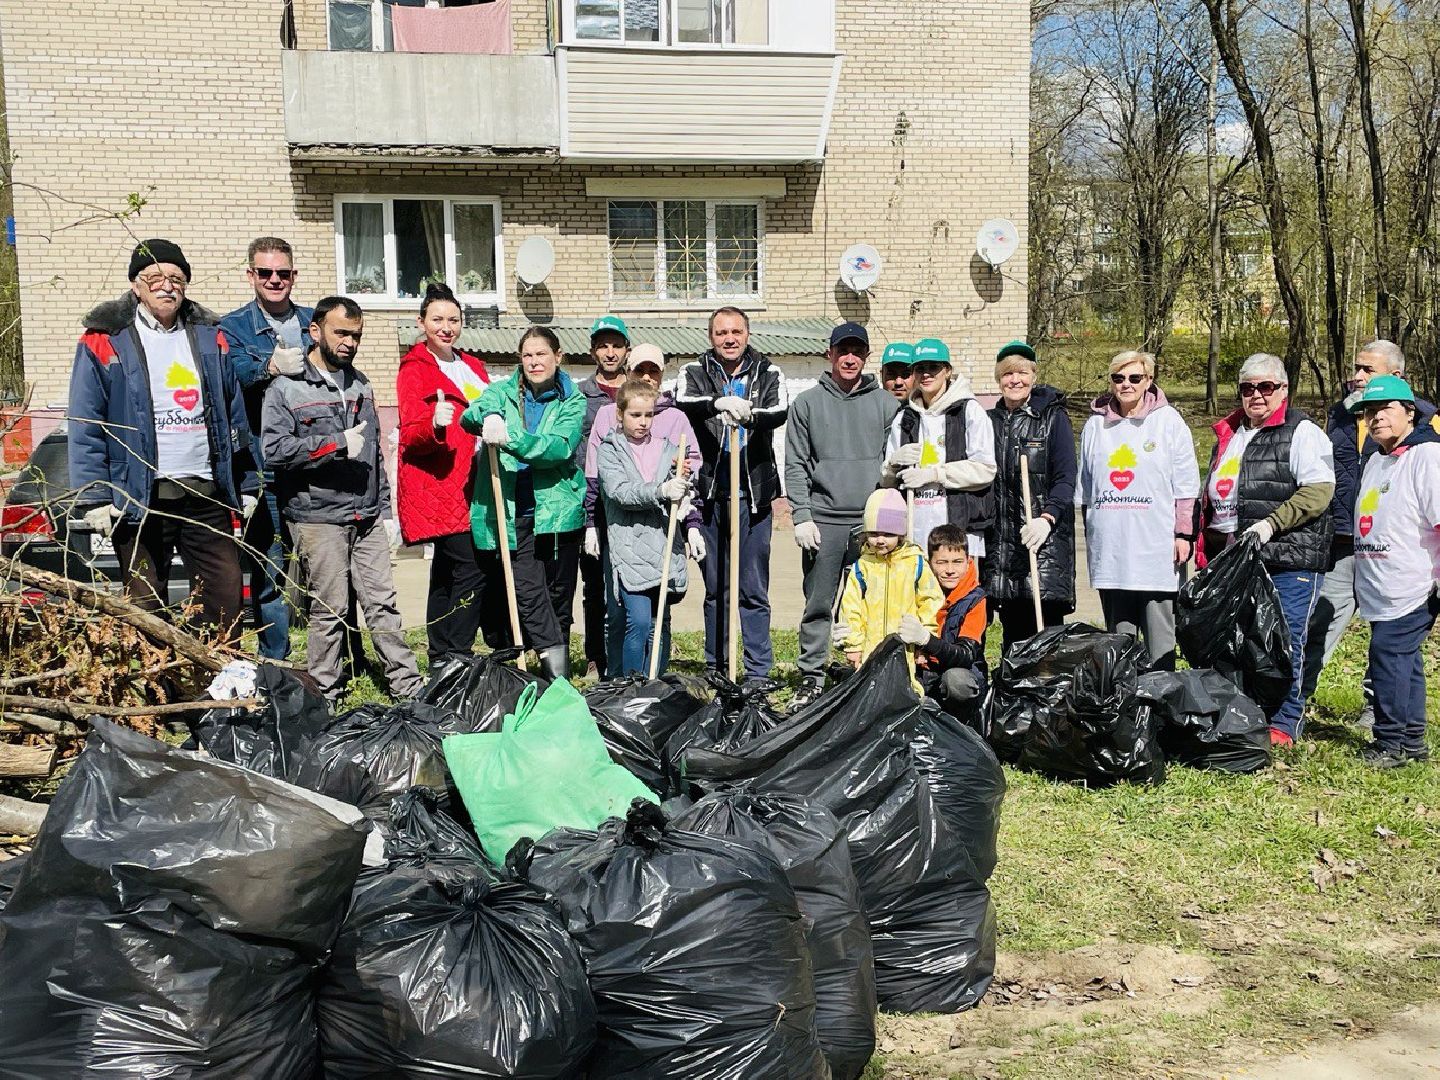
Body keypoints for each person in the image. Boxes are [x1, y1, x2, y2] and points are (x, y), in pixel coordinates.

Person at [69, 238, 253, 639]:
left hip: (206, 494)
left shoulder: (210, 336)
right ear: (136, 286)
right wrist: (96, 497)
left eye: (175, 277)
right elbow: (86, 422)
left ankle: (219, 689)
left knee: (226, 598)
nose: (166, 285)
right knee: (146, 607)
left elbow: (233, 411)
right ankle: (158, 694)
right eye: (154, 278)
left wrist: (248, 481)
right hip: (141, 497)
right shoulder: (104, 339)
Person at [261, 296, 422, 705]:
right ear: (315, 332)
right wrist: (333, 444)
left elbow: (372, 455)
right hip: (318, 517)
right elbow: (275, 450)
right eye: (342, 333)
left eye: (356, 335)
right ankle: (324, 697)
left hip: (364, 514)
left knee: (382, 605)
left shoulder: (361, 383)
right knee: (330, 611)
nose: (350, 342)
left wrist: (386, 511)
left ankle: (409, 690)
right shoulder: (287, 388)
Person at [1198, 353, 1334, 747]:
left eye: (1265, 387)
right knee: (1243, 639)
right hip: (1237, 559)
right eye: (1247, 388)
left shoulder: (1303, 432)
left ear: (1283, 390)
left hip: (1289, 557)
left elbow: (1319, 492)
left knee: (1286, 639)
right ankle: (1247, 714)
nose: (1256, 395)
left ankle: (1287, 721)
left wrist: (1271, 524)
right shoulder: (1232, 432)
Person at [1302, 339, 1440, 721]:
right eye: (1356, 368)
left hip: (1401, 548)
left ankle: (1379, 710)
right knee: (1322, 624)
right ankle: (1295, 701)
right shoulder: (1342, 415)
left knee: (1390, 638)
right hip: (1345, 541)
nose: (1357, 376)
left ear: (1397, 378)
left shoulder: (1428, 425)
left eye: (1368, 370)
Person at [784, 321, 900, 707]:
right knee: (819, 601)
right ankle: (812, 674)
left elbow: (895, 462)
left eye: (857, 352)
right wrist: (801, 515)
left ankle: (868, 669)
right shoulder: (806, 405)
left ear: (866, 357)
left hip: (872, 522)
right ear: (830, 355)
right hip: (824, 520)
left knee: (873, 598)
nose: (850, 358)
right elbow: (796, 464)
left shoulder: (886, 405)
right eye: (843, 351)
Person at [461, 326, 585, 680]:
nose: (534, 362)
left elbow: (558, 446)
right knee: (528, 591)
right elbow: (470, 415)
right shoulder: (501, 392)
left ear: (558, 357)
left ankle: (552, 679)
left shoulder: (572, 401)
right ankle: (550, 676)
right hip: (515, 510)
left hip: (557, 511)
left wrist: (511, 437)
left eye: (541, 354)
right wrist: (488, 416)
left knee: (558, 597)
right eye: (528, 355)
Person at [676, 306, 789, 679]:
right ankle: (717, 667)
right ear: (711, 337)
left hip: (753, 495)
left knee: (753, 588)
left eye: (736, 332)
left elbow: (779, 410)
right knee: (716, 590)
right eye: (722, 332)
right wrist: (717, 403)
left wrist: (750, 414)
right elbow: (682, 402)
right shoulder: (694, 371)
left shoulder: (768, 371)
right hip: (710, 495)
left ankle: (757, 673)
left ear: (747, 334)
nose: (729, 339)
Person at [220, 237, 313, 660]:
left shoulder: (317, 321)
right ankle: (275, 668)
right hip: (265, 469)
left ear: (294, 275)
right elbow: (229, 381)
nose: (275, 280)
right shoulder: (232, 328)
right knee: (270, 573)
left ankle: (337, 663)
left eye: (283, 273)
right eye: (265, 273)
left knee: (328, 571)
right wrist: (269, 367)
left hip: (316, 465)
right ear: (251, 275)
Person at [584, 344, 705, 670]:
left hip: (662, 544)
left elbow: (683, 491)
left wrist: (691, 522)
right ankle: (627, 685)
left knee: (659, 620)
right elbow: (621, 491)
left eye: (648, 415)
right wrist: (661, 490)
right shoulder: (612, 449)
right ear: (620, 414)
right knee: (635, 619)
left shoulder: (667, 448)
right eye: (635, 415)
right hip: (628, 544)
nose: (642, 422)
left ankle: (656, 684)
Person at [1076, 350, 1200, 669]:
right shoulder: (1095, 426)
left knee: (1160, 642)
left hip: (1155, 550)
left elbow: (1186, 486)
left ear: (1149, 380)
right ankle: (1126, 708)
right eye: (1118, 378)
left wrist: (1183, 534)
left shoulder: (1169, 422)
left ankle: (1161, 706)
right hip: (1112, 550)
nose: (1126, 384)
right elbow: (1087, 490)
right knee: (1119, 643)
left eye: (1135, 377)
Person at [395, 282, 496, 670]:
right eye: (437, 319)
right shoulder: (415, 368)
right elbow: (409, 432)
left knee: (446, 569)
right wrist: (434, 426)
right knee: (472, 566)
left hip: (475, 482)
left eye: (453, 319)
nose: (446, 326)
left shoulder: (472, 365)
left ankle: (440, 653)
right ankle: (458, 652)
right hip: (440, 484)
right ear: (422, 322)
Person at [1347, 375, 1440, 767]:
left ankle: (1390, 745)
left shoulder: (1428, 458)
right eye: (1370, 411)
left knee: (1388, 654)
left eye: (1385, 408)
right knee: (1404, 661)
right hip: (1380, 587)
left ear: (1409, 413)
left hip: (1414, 585)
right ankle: (1412, 741)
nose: (1376, 417)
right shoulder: (1376, 459)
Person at [984, 339, 1077, 648]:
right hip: (1005, 549)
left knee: (1046, 640)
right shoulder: (990, 422)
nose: (1015, 380)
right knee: (1013, 637)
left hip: (1043, 546)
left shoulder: (1052, 417)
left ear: (1034, 376)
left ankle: (1047, 696)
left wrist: (1047, 519)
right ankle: (1013, 695)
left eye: (1022, 372)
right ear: (999, 379)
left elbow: (1065, 478)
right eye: (1008, 374)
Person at [881, 337, 996, 556]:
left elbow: (985, 469)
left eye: (933, 367)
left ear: (947, 371)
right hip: (914, 533)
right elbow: (887, 482)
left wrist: (935, 474)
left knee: (958, 590)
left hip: (960, 532)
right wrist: (893, 464)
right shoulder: (905, 418)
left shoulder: (969, 411)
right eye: (920, 368)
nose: (926, 374)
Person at [576, 315, 631, 678]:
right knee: (595, 583)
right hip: (593, 503)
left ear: (626, 349)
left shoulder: (641, 391)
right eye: (603, 345)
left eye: (616, 345)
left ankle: (630, 650)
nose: (610, 352)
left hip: (632, 502)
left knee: (630, 581)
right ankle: (596, 654)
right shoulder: (580, 394)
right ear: (594, 349)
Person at [838, 489, 943, 677]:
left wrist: (925, 641)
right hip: (870, 647)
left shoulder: (916, 563)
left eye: (888, 534)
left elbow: (931, 602)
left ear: (900, 534)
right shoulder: (862, 567)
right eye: (873, 533)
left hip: (906, 648)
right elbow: (850, 608)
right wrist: (853, 644)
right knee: (870, 690)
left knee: (902, 687)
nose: (879, 540)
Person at [906, 523, 988, 718]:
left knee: (957, 681)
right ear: (929, 563)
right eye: (942, 562)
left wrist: (927, 641)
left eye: (957, 562)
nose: (950, 570)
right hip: (922, 674)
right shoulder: (916, 591)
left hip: (960, 674)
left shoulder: (975, 600)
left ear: (968, 561)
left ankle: (963, 725)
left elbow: (966, 654)